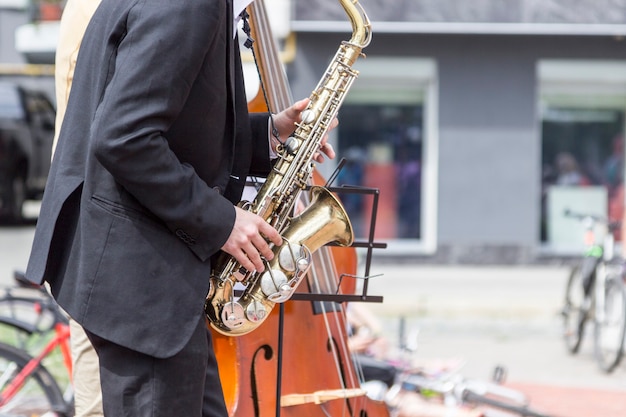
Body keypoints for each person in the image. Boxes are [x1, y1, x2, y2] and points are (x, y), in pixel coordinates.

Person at [25, 0, 336, 416]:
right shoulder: (189, 3)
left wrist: (269, 133)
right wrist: (223, 222)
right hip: (145, 290)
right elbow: (124, 139)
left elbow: (179, 128)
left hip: (152, 287)